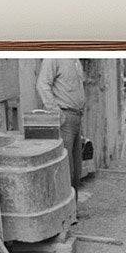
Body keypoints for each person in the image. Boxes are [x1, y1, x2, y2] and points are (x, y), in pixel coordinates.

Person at [36, 58, 86, 193]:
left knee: (76, 169)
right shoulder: (53, 57)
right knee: (66, 169)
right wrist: (57, 113)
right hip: (65, 119)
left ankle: (74, 210)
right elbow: (42, 84)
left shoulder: (74, 58)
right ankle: (67, 212)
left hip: (77, 117)